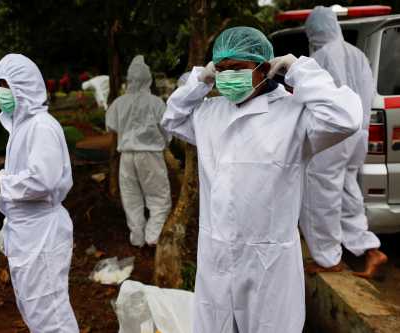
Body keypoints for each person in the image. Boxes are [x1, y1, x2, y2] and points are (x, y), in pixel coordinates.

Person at [162, 26, 362, 333]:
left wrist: (299, 70)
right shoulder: (210, 114)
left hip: (269, 263)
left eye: (238, 69)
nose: (228, 77)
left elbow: (345, 118)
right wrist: (200, 80)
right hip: (217, 255)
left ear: (264, 68)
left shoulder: (294, 114)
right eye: (223, 70)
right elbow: (172, 118)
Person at [0, 54, 79, 333]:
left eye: (6, 85)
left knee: (50, 313)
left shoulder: (41, 127)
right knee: (35, 307)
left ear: (24, 86)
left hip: (42, 232)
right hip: (28, 232)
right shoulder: (22, 126)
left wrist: (4, 183)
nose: (1, 93)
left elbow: (43, 180)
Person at [301, 6, 388, 278]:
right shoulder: (357, 54)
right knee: (347, 190)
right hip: (357, 134)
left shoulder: (321, 57)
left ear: (315, 30)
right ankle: (370, 249)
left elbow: (317, 98)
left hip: (333, 135)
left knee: (320, 194)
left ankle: (327, 259)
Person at [106, 55, 172, 247]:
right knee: (159, 197)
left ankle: (137, 238)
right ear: (148, 79)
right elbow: (167, 128)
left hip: (126, 156)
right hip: (150, 155)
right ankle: (153, 237)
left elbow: (111, 125)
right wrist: (164, 143)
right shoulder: (156, 103)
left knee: (131, 197)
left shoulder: (119, 103)